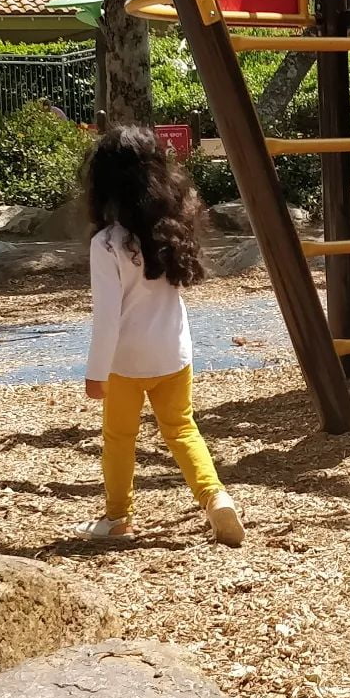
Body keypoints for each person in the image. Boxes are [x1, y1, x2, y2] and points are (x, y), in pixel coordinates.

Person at [77, 125, 245, 548]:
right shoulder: (173, 230)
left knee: (119, 439)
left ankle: (118, 518)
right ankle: (215, 496)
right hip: (174, 353)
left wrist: (95, 373)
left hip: (126, 363)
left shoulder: (108, 244)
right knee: (182, 429)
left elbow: (107, 319)